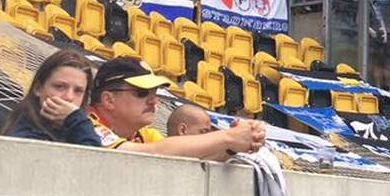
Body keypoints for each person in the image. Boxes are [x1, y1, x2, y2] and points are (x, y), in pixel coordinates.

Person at [87, 57, 265, 160]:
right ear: (108, 100)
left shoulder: (141, 133)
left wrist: (233, 147)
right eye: (142, 92)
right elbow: (149, 153)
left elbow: (180, 159)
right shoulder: (86, 125)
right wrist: (228, 137)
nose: (153, 100)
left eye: (154, 92)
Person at [2, 49, 100, 146]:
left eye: (78, 91)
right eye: (60, 87)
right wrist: (78, 121)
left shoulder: (79, 130)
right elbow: (92, 159)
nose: (69, 97)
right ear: (38, 89)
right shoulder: (24, 136)